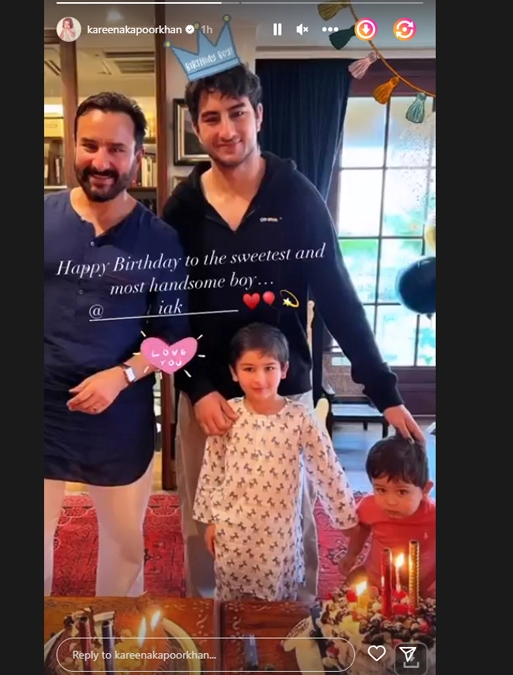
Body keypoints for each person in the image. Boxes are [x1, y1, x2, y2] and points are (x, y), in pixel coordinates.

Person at [161, 64, 426, 600]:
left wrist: (384, 391)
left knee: (291, 513)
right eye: (211, 118)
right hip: (210, 395)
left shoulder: (298, 198)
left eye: (237, 113)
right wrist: (196, 385)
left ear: (258, 115)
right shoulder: (182, 209)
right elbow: (168, 311)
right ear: (195, 126)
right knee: (206, 515)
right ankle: (212, 620)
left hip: (284, 392)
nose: (226, 130)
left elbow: (338, 296)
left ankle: (296, 616)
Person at [44, 92, 189, 597]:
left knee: (125, 546)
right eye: (90, 145)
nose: (101, 162)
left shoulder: (160, 240)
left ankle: (117, 634)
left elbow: (176, 340)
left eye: (117, 149)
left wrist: (123, 375)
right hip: (41, 410)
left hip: (120, 415)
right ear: (73, 145)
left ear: (137, 156)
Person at [193, 323, 358, 601]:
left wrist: (348, 519)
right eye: (249, 369)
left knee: (278, 606)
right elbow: (212, 469)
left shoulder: (301, 419)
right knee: (231, 603)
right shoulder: (228, 414)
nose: (260, 379)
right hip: (233, 532)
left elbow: (327, 469)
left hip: (279, 536)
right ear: (234, 372)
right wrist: (210, 522)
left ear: (284, 369)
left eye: (269, 368)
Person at [339, 435, 436, 598]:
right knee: (346, 595)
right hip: (375, 579)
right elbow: (361, 529)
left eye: (402, 491)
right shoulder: (370, 506)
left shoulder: (433, 515)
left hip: (420, 589)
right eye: (381, 489)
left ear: (425, 489)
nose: (390, 501)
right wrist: (352, 554)